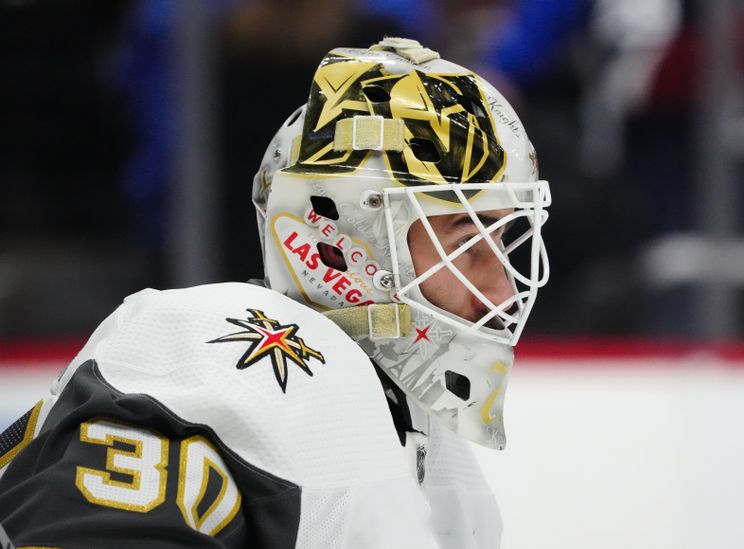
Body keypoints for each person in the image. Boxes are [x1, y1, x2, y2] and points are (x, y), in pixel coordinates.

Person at [0, 38, 550, 548]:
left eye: (502, 239)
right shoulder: (225, 363)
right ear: (343, 238)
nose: (502, 289)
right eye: (465, 241)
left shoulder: (435, 448)